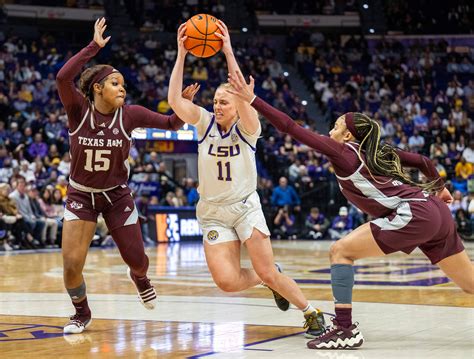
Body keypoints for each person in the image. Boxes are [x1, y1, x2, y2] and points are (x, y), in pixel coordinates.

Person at [227, 71, 474, 349]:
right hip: (435, 211)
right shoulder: (379, 151)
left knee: (340, 251)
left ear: (347, 134)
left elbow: (291, 128)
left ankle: (344, 329)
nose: (330, 129)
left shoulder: (343, 151)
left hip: (416, 213)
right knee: (470, 284)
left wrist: (254, 99)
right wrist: (440, 188)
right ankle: (344, 328)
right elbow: (424, 161)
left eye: (335, 125)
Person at [168, 21, 326, 338]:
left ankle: (310, 312)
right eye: (214, 100)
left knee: (267, 269)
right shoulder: (204, 122)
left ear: (238, 106)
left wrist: (227, 51)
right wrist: (182, 54)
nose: (217, 104)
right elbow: (174, 100)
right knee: (227, 282)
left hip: (244, 208)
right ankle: (267, 277)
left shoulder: (248, 128)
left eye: (223, 101)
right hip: (212, 210)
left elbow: (241, 91)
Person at [56, 18, 199, 334]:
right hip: (81, 195)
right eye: (115, 83)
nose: (122, 88)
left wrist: (185, 106)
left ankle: (140, 278)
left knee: (138, 260)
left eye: (123, 84)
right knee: (70, 268)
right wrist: (94, 47)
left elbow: (172, 123)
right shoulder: (79, 111)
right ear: (98, 87)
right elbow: (63, 77)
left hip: (116, 195)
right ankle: (82, 313)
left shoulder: (130, 114)